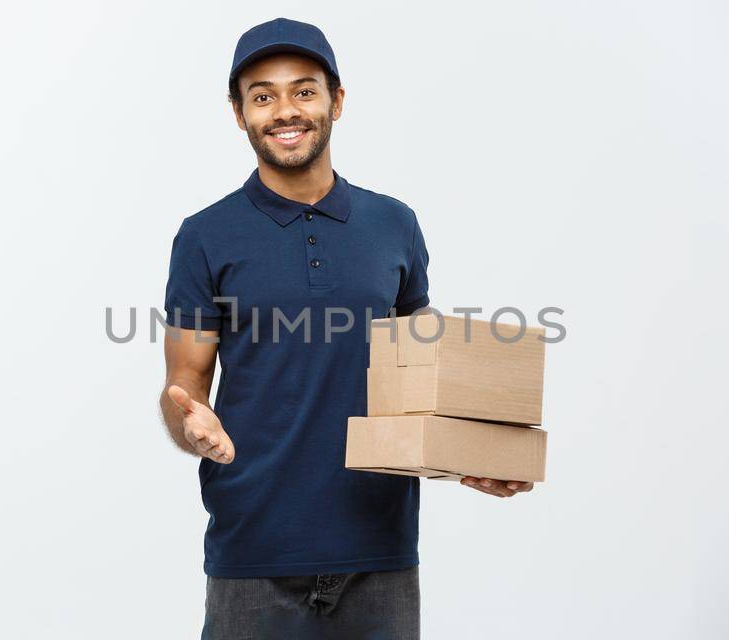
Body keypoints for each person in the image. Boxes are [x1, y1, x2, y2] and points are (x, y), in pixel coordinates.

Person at [159, 18, 533, 639]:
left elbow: (422, 379)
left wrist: (472, 457)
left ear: (336, 100)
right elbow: (184, 386)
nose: (285, 110)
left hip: (378, 551)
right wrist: (190, 425)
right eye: (262, 95)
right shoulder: (203, 236)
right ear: (238, 113)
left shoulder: (395, 226)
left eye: (304, 91)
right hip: (254, 555)